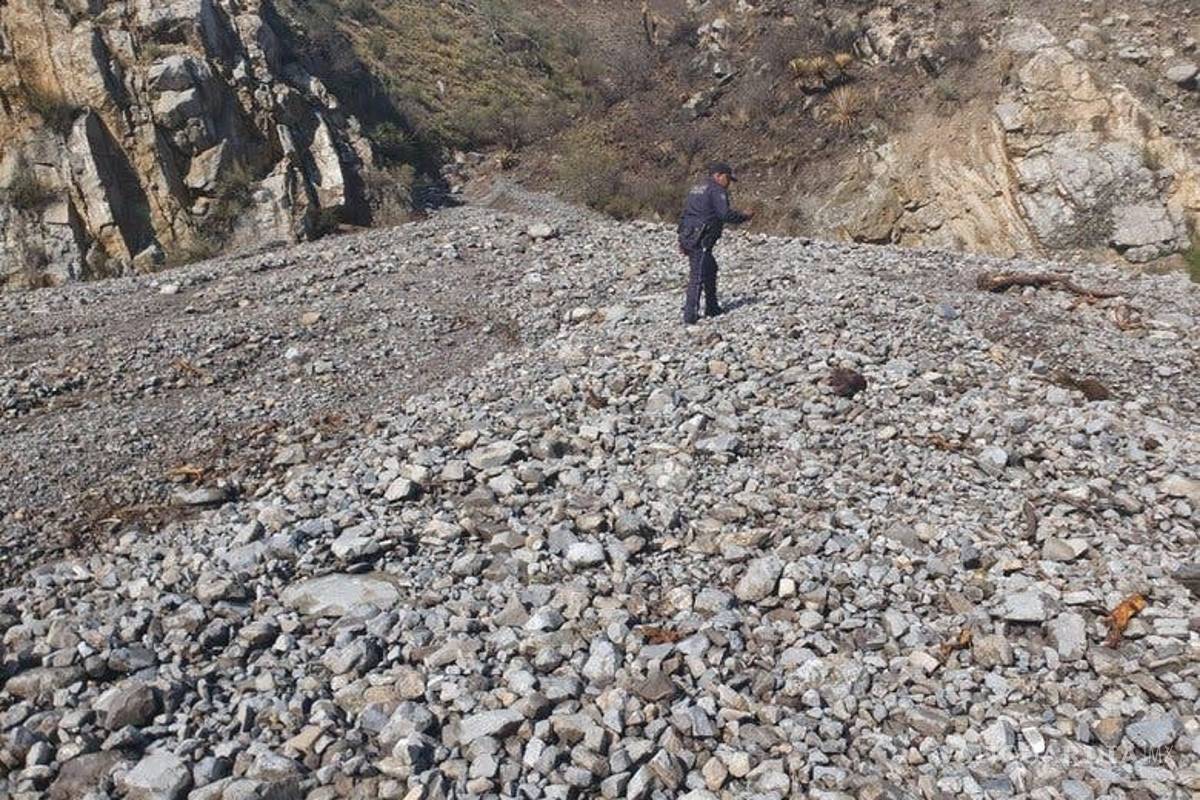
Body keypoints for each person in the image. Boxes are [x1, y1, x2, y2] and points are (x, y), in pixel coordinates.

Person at [677, 162, 753, 325]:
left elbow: (685, 214)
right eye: (727, 178)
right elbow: (724, 214)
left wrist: (681, 240)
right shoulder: (717, 190)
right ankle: (690, 315)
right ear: (718, 175)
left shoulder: (696, 188)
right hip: (702, 237)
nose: (729, 183)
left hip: (689, 235)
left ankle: (712, 307)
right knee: (697, 275)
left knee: (710, 268)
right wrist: (744, 217)